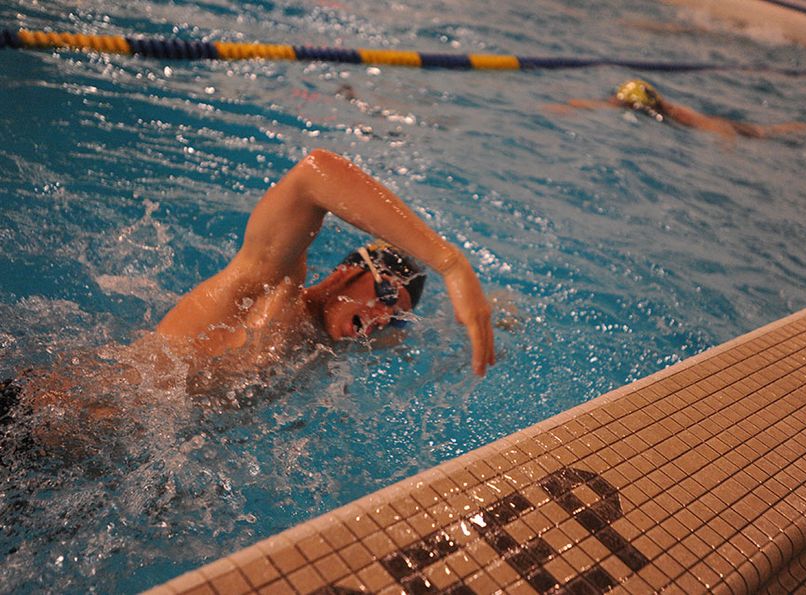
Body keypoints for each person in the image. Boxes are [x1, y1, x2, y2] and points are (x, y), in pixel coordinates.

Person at [3, 149, 495, 448]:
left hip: (88, 460)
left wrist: (495, 314)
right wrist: (451, 264)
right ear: (349, 273)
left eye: (397, 319)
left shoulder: (336, 344)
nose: (383, 318)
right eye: (385, 293)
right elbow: (314, 175)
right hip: (38, 421)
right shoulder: (271, 288)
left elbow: (431, 335)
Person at [546, 79, 806, 139]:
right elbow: (604, 105)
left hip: (728, 126)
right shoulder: (642, 105)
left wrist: (726, 142)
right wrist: (570, 107)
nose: (616, 105)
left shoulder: (680, 115)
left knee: (765, 133)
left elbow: (718, 127)